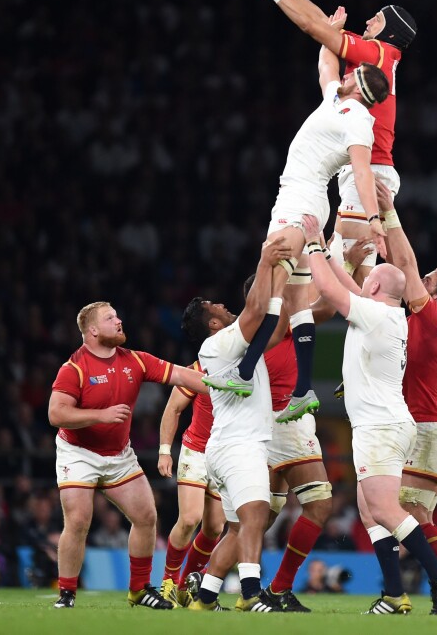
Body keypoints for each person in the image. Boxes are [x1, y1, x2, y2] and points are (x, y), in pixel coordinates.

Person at [206, 31, 389, 425]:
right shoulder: (336, 101)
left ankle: (241, 372)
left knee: (271, 266)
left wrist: (374, 220)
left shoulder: (359, 120)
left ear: (357, 87)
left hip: (302, 201)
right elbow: (327, 63)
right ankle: (303, 389)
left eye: (351, 73)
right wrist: (334, 32)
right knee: (294, 303)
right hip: (295, 199)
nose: (344, 73)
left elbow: (360, 170)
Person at [301, 212, 437, 615]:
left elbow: (330, 288)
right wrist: (341, 257)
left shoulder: (376, 314)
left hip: (381, 426)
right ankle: (394, 592)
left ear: (373, 287)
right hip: (387, 423)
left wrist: (315, 243)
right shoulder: (390, 316)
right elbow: (349, 287)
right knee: (369, 508)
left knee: (391, 510)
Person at [234, 0, 417, 283]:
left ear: (389, 31)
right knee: (351, 273)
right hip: (368, 170)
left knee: (355, 278)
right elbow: (323, 28)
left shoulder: (377, 54)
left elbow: (315, 29)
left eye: (375, 19)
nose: (367, 21)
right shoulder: (376, 59)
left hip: (370, 172)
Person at [356, 179, 437, 615]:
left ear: (436, 295)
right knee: (405, 512)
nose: (418, 277)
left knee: (401, 510)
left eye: (426, 279)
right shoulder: (422, 322)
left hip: (430, 428)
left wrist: (389, 211)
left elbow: (405, 262)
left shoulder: (435, 319)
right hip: (427, 427)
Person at [48, 300, 210, 610]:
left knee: (147, 516)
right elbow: (56, 414)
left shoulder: (135, 360)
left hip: (119, 455)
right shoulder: (74, 368)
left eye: (117, 315)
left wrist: (222, 386)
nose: (119, 320)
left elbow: (182, 376)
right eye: (110, 318)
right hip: (78, 453)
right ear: (93, 330)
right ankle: (66, 594)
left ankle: (139, 590)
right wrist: (100, 415)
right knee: (79, 521)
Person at [181, 237, 293, 613]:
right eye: (218, 307)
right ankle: (250, 593)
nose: (225, 307)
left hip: (229, 446)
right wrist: (266, 263)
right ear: (213, 323)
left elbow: (272, 328)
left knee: (235, 528)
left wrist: (282, 280)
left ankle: (206, 597)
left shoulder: (236, 346)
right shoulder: (218, 345)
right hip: (238, 446)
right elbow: (255, 310)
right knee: (255, 516)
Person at [241, 274, 333, 613]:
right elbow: (320, 308)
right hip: (284, 421)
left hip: (275, 421)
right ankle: (278, 589)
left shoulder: (274, 324)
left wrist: (345, 268)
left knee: (260, 517)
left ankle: (203, 584)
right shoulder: (267, 326)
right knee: (319, 504)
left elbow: (325, 308)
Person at [157, 377, 225, 607]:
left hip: (225, 455)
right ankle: (168, 583)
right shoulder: (198, 370)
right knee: (189, 519)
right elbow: (174, 408)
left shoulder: (247, 369)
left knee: (215, 528)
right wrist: (165, 451)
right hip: (195, 451)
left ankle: (186, 587)